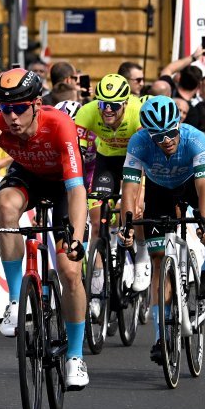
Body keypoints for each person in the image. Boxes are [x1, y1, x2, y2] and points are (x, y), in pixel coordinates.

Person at [0, 68, 90, 389]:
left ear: (37, 104)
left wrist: (76, 237)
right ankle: (15, 298)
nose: (13, 118)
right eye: (6, 110)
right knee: (4, 203)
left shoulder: (59, 125)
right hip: (29, 176)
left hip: (62, 184)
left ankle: (75, 356)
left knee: (70, 272)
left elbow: (76, 190)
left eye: (20, 108)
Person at [118, 96, 205, 364]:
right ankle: (161, 338)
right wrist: (126, 225)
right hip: (160, 192)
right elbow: (130, 188)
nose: (167, 140)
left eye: (171, 133)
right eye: (159, 137)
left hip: (191, 184)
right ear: (148, 134)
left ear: (179, 125)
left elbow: (204, 186)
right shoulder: (138, 143)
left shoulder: (195, 138)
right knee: (159, 261)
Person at [74, 74, 150, 291]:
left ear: (125, 103)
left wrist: (139, 194)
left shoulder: (138, 114)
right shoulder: (87, 113)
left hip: (134, 159)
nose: (107, 109)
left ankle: (142, 254)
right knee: (98, 219)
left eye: (114, 105)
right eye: (102, 103)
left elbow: (144, 159)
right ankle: (97, 280)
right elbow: (76, 156)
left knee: (136, 211)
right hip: (106, 159)